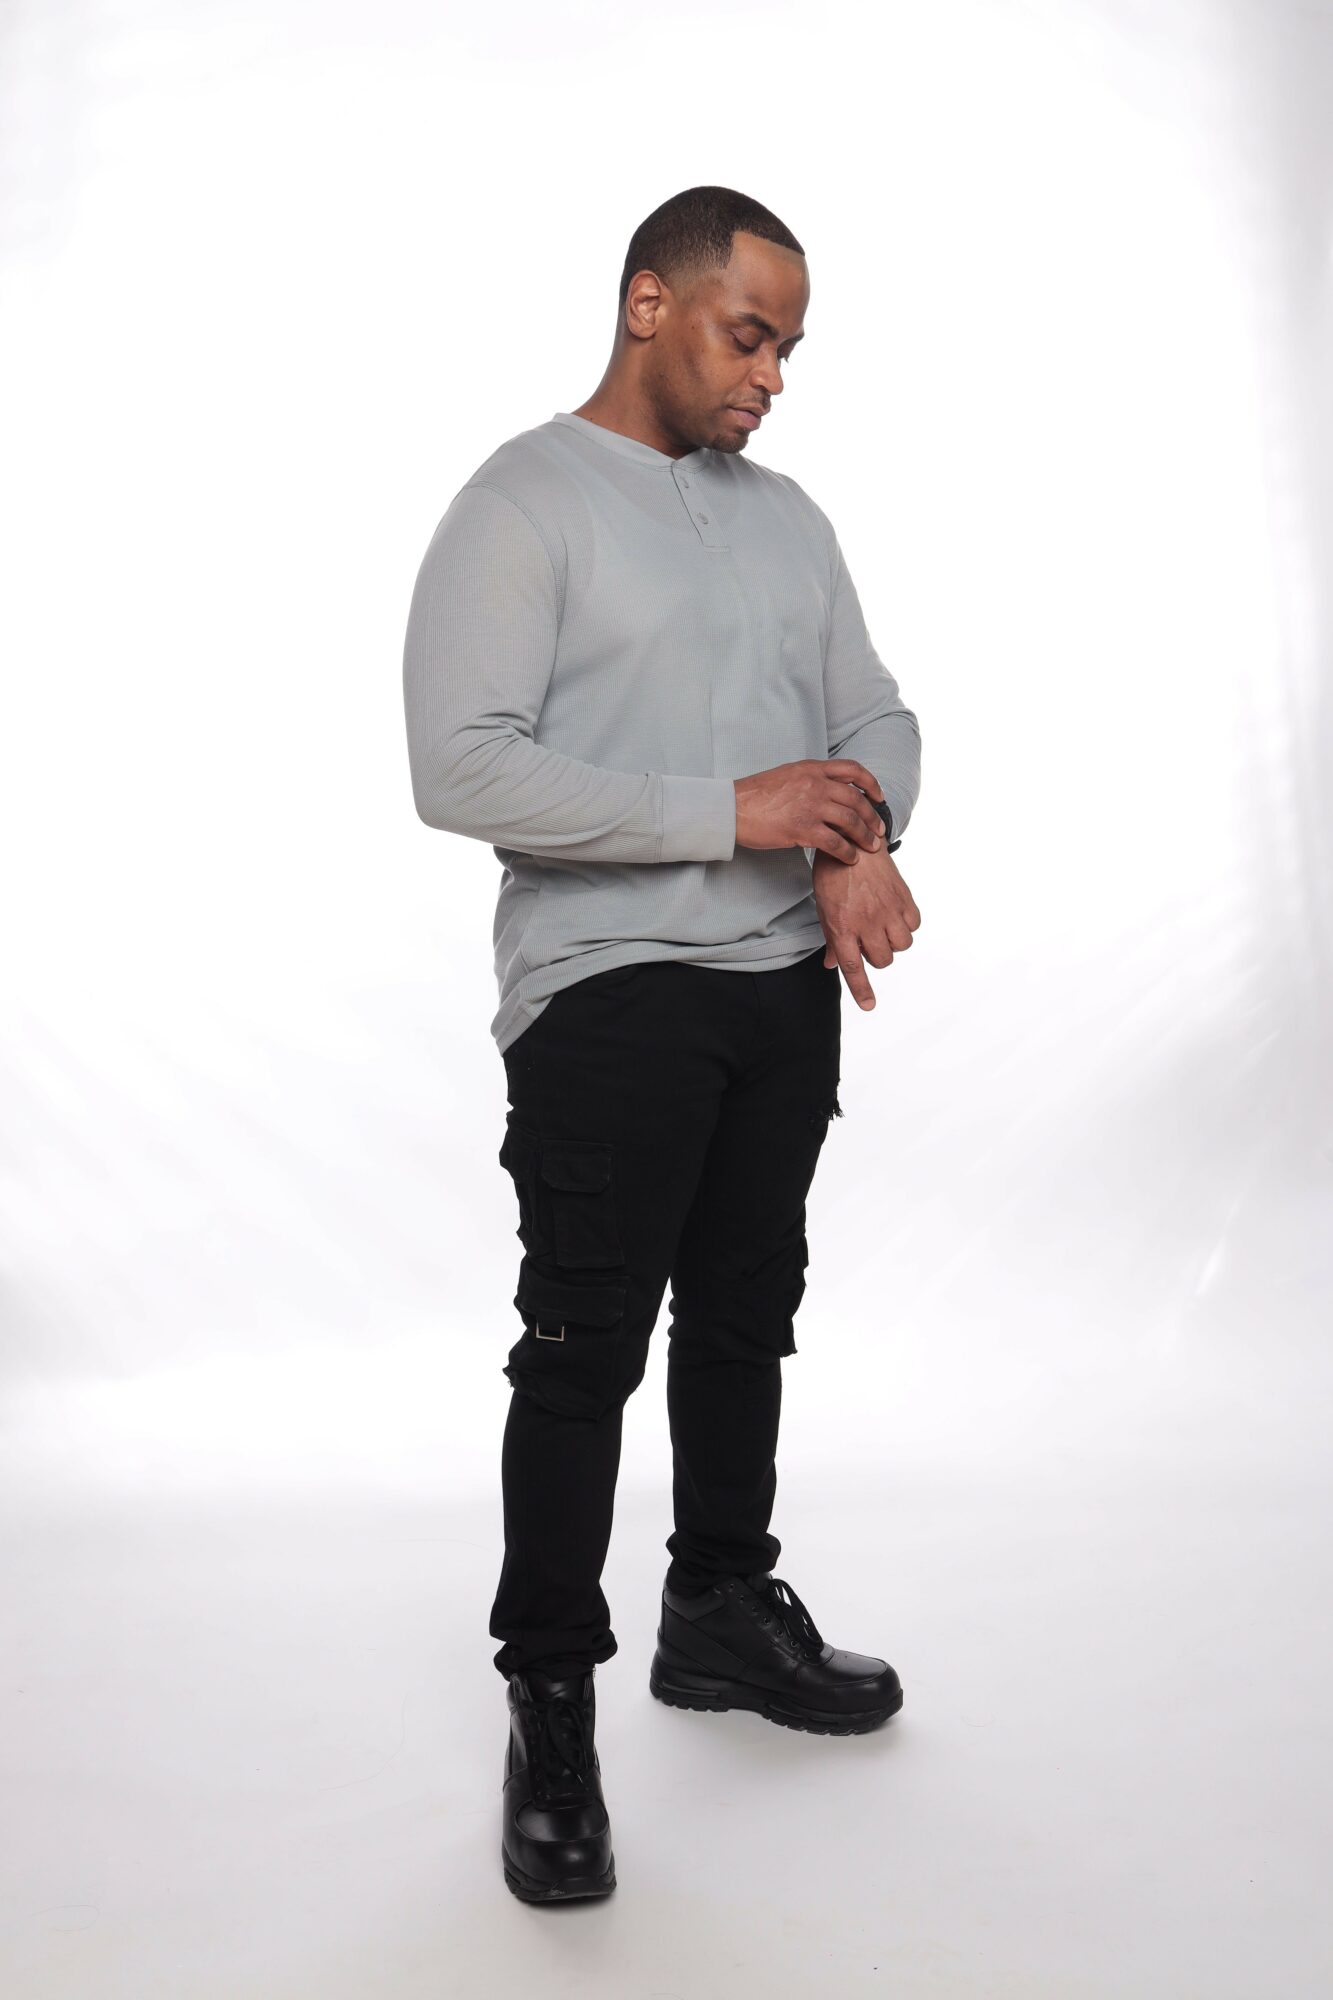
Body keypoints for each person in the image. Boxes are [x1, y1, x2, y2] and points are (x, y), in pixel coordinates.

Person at [401, 184, 923, 1903]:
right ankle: (551, 1700)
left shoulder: (786, 519)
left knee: (747, 1313)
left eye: (788, 348)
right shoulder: (522, 503)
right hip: (607, 988)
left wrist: (851, 835)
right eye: (747, 335)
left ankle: (715, 1606)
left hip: (778, 983)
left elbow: (872, 715)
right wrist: (737, 810)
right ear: (649, 303)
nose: (770, 375)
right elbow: (461, 768)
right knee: (583, 1350)